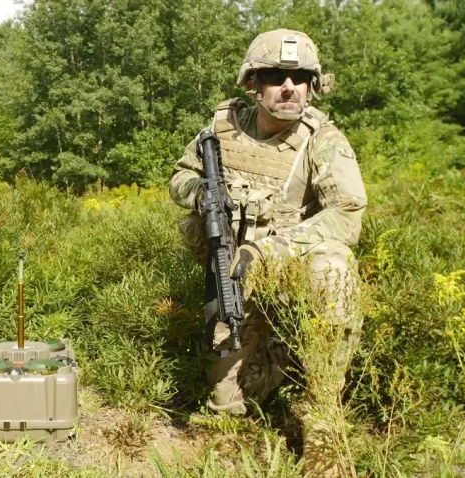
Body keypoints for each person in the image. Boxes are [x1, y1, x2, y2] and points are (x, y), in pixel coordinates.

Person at [169, 30, 366, 476]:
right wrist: (199, 192)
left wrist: (270, 250)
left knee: (334, 269)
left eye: (300, 78)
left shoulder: (323, 140)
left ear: (313, 86)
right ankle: (279, 357)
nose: (289, 87)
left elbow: (347, 215)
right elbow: (180, 176)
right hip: (237, 281)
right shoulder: (221, 129)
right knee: (228, 402)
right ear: (253, 84)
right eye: (276, 76)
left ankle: (322, 418)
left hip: (297, 279)